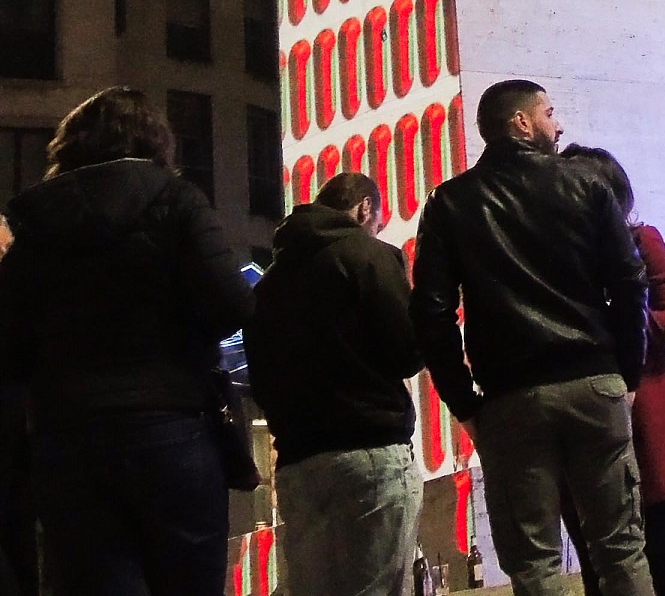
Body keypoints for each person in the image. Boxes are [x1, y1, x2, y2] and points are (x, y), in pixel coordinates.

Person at [0, 87, 253, 596]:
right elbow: (233, 305)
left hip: (70, 442)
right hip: (172, 428)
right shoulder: (175, 200)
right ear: (156, 141)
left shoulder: (36, 223)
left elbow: (10, 338)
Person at [411, 80, 653, 596]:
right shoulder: (588, 186)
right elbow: (631, 283)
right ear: (520, 122)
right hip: (594, 384)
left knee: (535, 562)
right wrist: (627, 373)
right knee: (621, 550)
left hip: (510, 399)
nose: (559, 124)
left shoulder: (451, 203)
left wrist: (463, 403)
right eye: (549, 111)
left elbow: (432, 313)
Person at [250, 172, 425, 596]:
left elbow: (260, 377)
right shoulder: (368, 254)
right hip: (370, 452)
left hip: (299, 464)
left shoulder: (270, 282)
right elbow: (409, 351)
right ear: (365, 208)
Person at [558, 148, 665, 596]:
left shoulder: (642, 241)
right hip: (581, 420)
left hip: (646, 418)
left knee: (659, 554)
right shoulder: (556, 257)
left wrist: (623, 313)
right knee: (593, 564)